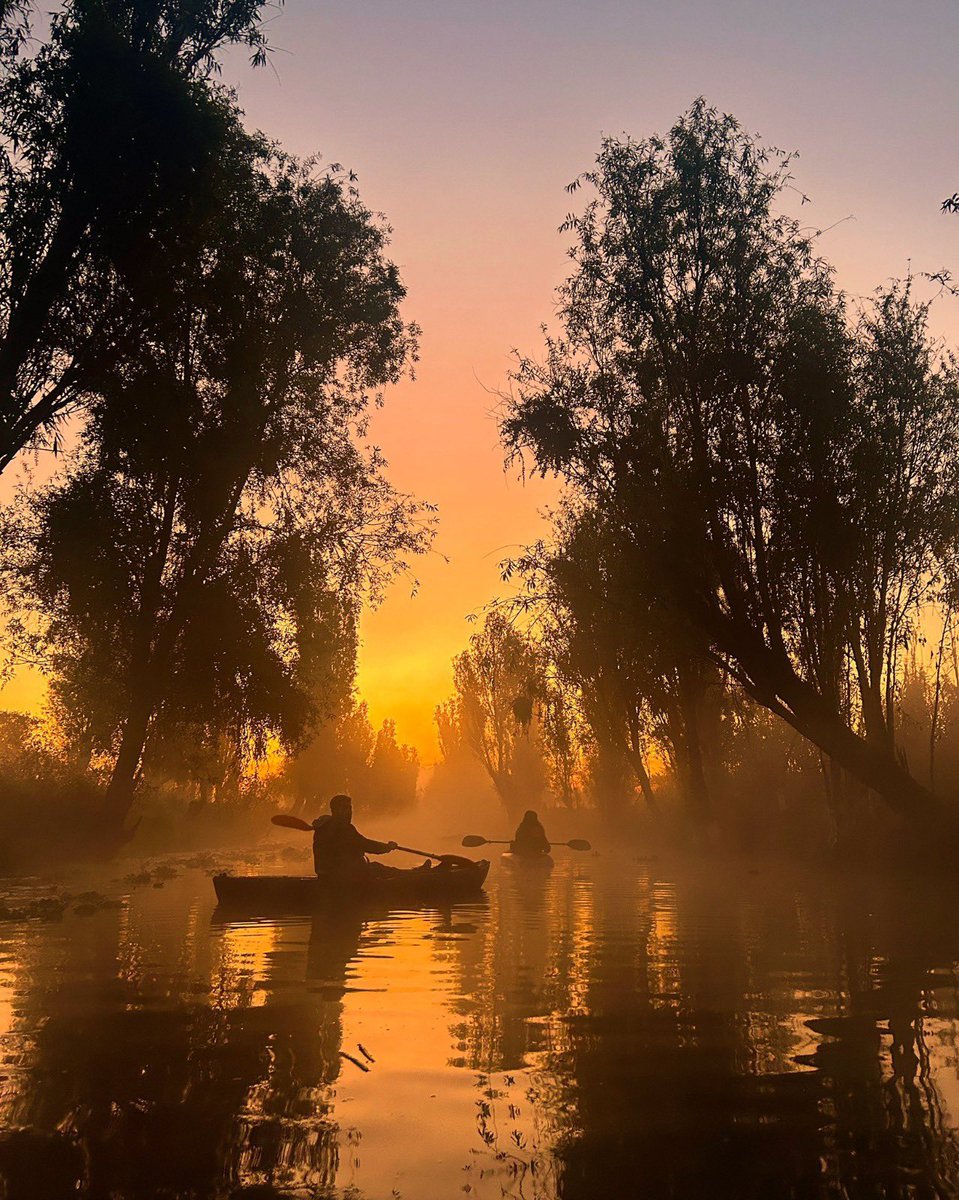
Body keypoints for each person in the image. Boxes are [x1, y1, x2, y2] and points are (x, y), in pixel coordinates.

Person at [311, 794, 397, 877]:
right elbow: (365, 845)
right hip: (344, 876)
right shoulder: (342, 828)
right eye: (345, 808)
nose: (349, 812)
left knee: (376, 866)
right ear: (335, 810)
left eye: (350, 808)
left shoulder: (323, 826)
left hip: (329, 875)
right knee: (383, 871)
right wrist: (387, 847)